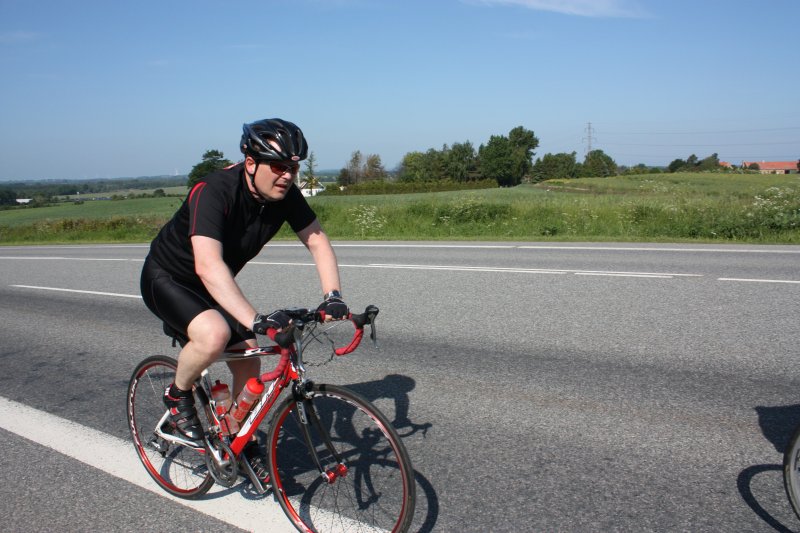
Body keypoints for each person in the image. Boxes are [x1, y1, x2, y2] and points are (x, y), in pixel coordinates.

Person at [140, 118, 348, 476]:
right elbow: (207, 265)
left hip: (213, 285)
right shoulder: (213, 190)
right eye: (279, 166)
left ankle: (236, 438)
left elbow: (317, 240)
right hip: (168, 278)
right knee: (214, 335)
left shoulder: (284, 195)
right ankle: (177, 394)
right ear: (251, 163)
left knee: (249, 357)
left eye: (294, 168)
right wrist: (255, 318)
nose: (288, 175)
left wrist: (333, 296)